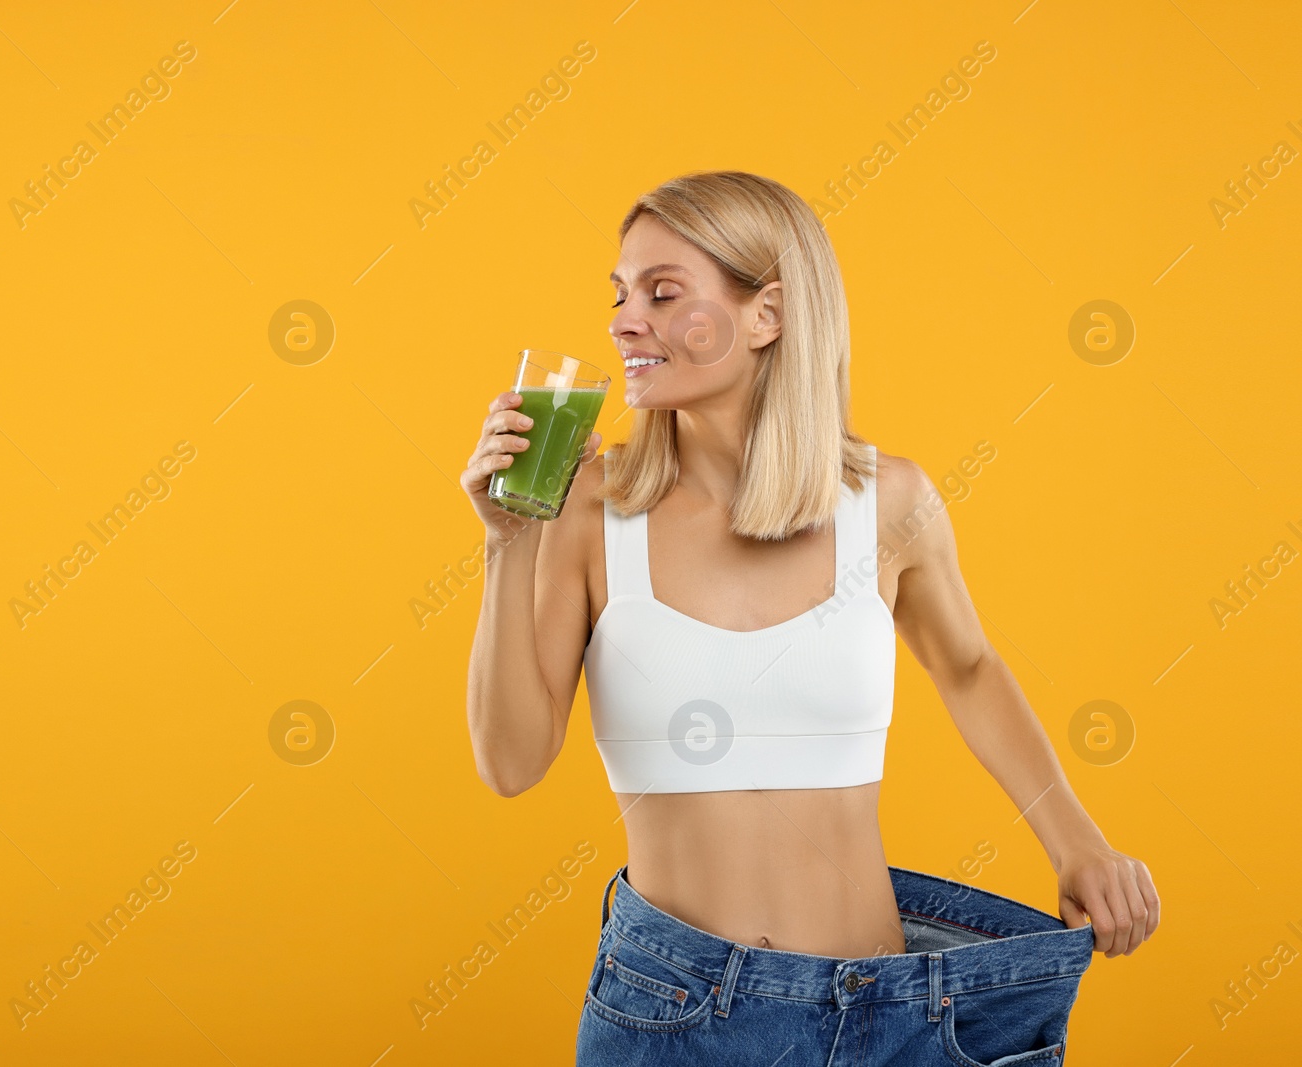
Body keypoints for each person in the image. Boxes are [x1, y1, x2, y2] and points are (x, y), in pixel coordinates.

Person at [461, 170, 1159, 1065]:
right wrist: (507, 542)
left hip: (894, 1012)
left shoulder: (891, 500)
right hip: (675, 1012)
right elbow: (511, 763)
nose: (623, 321)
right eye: (620, 295)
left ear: (769, 314)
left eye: (662, 293)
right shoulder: (588, 510)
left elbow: (969, 667)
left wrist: (1079, 843)